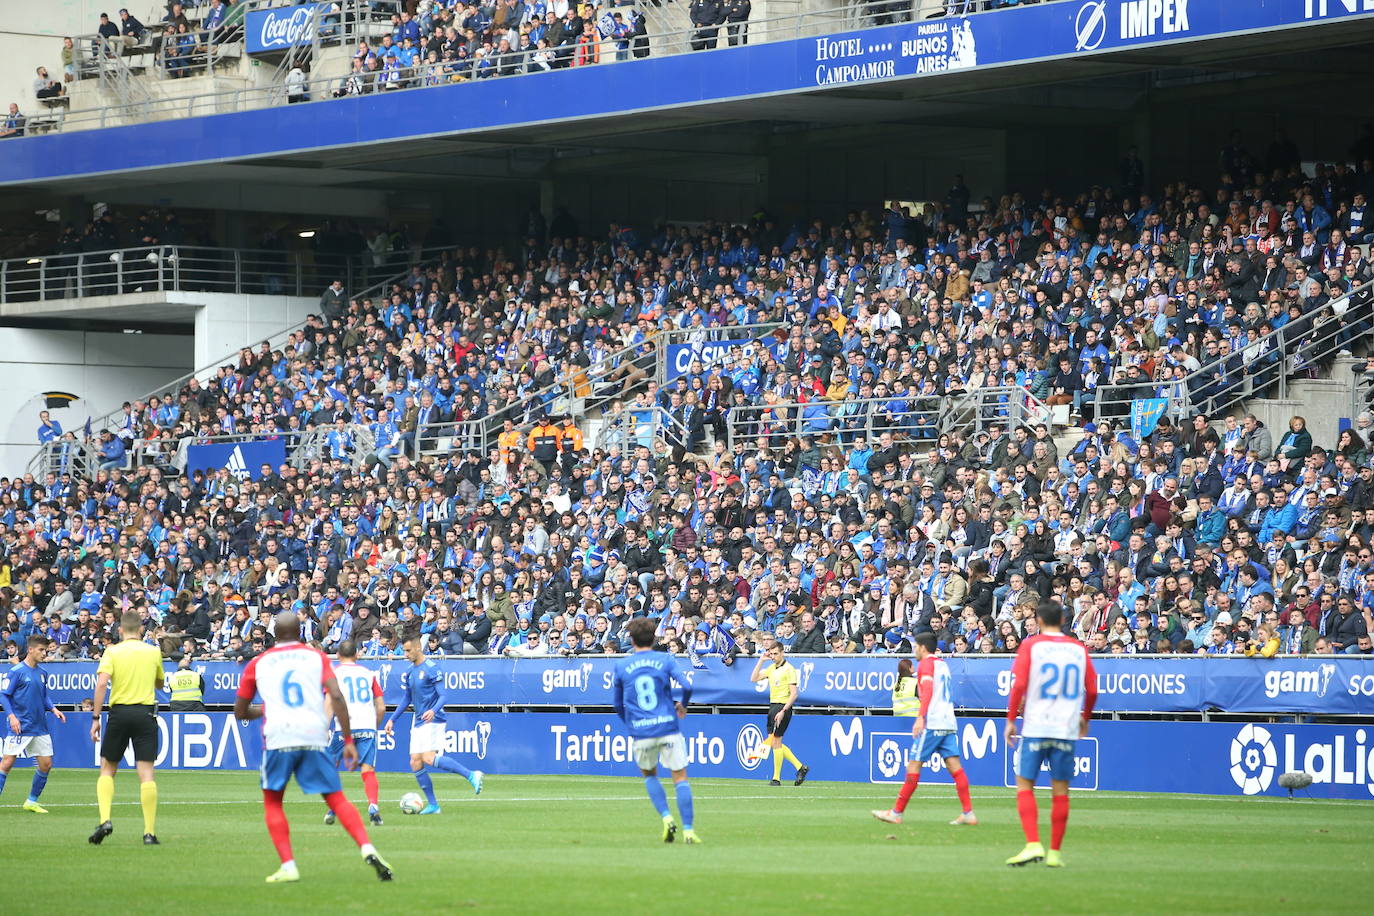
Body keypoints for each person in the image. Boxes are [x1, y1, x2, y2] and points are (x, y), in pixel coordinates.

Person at [233, 612, 392, 883]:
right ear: (300, 632)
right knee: (336, 798)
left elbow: (240, 711)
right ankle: (367, 846)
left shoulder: (259, 662)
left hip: (279, 737)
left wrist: (267, 709)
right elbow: (337, 696)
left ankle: (288, 865)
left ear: (275, 632)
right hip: (313, 734)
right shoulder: (316, 657)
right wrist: (349, 740)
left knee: (273, 802)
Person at [1004, 601, 1098, 868]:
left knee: (1025, 786)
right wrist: (1085, 718)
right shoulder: (1078, 648)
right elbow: (1092, 690)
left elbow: (1019, 684)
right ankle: (1055, 853)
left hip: (1036, 726)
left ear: (1041, 621)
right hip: (1066, 727)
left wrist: (1011, 719)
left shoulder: (1032, 645)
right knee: (1060, 791)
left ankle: (1033, 844)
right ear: (1063, 620)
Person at [871, 634, 976, 826]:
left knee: (913, 766)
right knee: (955, 767)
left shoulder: (926, 664)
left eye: (915, 647)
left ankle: (896, 813)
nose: (914, 651)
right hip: (948, 721)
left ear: (922, 647)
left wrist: (921, 717)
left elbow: (926, 691)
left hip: (933, 722)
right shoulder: (942, 664)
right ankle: (968, 812)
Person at [612, 617, 699, 843]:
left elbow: (617, 705)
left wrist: (630, 724)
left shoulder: (621, 665)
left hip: (641, 731)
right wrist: (683, 706)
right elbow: (688, 686)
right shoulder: (665, 659)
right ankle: (688, 830)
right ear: (654, 638)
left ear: (631, 640)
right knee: (680, 777)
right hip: (668, 726)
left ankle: (666, 817)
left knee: (650, 775)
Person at [382, 634, 484, 814]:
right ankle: (434, 805)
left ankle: (471, 775)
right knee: (415, 762)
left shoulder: (431, 668)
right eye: (404, 651)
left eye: (408, 650)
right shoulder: (409, 672)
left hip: (434, 719)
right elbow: (407, 699)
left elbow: (444, 695)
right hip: (419, 720)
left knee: (428, 758)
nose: (405, 654)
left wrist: (433, 710)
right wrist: (392, 719)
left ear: (417, 648)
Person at [89, 610, 164, 845]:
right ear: (142, 629)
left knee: (108, 769)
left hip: (119, 713)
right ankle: (149, 833)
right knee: (146, 774)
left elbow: (102, 683)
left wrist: (95, 717)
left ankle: (105, 820)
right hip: (145, 714)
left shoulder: (112, 651)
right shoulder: (153, 652)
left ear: (120, 630)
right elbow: (160, 682)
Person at [0, 635, 66, 813]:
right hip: (20, 726)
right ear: (30, 649)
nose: (45, 653)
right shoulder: (17, 671)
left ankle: (31, 801)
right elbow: (4, 695)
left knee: (46, 765)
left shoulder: (43, 673)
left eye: (46, 650)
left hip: (40, 726)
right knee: (6, 764)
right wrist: (12, 717)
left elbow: (44, 696)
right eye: (41, 650)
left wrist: (53, 709)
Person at [323, 639, 385, 826]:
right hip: (366, 725)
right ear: (357, 655)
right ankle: (373, 805)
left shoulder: (333, 673)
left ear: (338, 655)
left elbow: (329, 703)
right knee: (368, 770)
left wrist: (324, 728)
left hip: (344, 727)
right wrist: (374, 726)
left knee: (331, 767)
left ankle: (333, 807)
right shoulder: (368, 674)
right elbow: (381, 707)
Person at [748, 640, 808, 787]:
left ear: (782, 653)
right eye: (771, 654)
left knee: (776, 742)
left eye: (776, 654)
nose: (773, 656)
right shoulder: (771, 668)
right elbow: (753, 678)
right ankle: (800, 767)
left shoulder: (789, 669)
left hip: (782, 707)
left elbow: (794, 694)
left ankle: (776, 778)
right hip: (773, 706)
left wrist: (783, 711)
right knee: (775, 742)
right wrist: (761, 661)